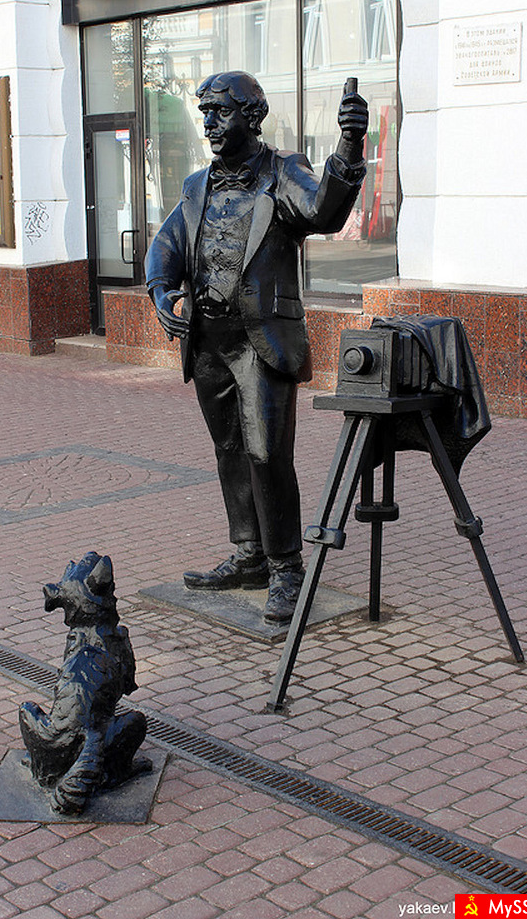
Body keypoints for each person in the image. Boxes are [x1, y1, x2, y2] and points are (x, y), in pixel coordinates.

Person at [145, 70, 368, 623]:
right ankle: (249, 555)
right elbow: (166, 242)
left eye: (220, 112)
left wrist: (349, 145)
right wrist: (162, 290)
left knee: (268, 454)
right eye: (205, 114)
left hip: (261, 342)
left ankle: (286, 567)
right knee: (229, 450)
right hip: (208, 342)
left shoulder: (282, 172)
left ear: (251, 115)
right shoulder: (196, 185)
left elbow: (324, 212)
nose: (210, 124)